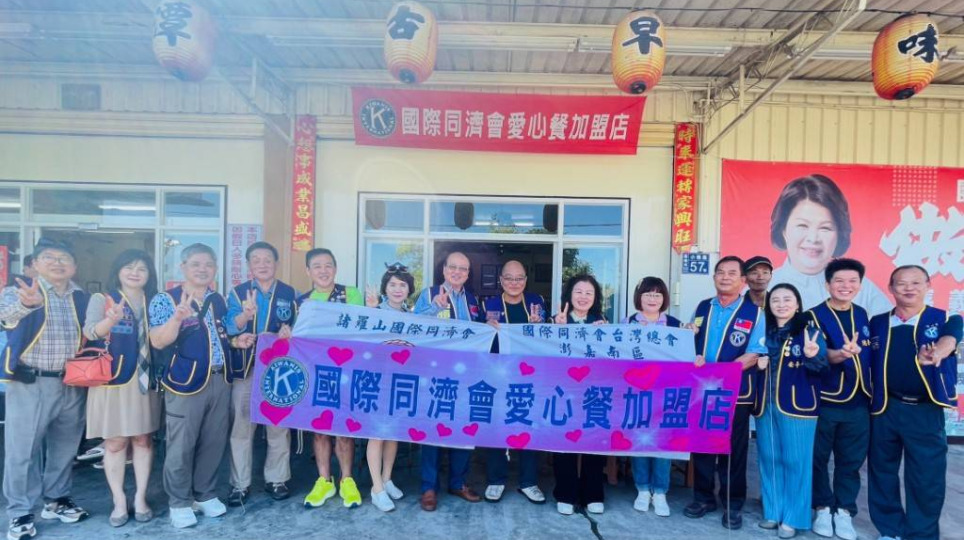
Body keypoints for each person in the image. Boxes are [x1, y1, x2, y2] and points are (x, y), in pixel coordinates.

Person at [148, 243, 256, 529]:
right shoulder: (166, 299)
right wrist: (177, 318)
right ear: (182, 267)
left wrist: (240, 332)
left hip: (220, 379)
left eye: (208, 264)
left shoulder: (216, 299)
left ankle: (204, 494)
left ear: (215, 269)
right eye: (196, 264)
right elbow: (158, 340)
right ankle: (179, 501)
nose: (202, 269)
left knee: (213, 440)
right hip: (185, 382)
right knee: (181, 444)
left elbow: (225, 333)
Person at [1, 238, 90, 540]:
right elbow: (5, 318)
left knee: (65, 447)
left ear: (74, 266)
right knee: (22, 450)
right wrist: (27, 304)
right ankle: (20, 511)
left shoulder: (81, 297)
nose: (57, 263)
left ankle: (57, 499)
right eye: (49, 257)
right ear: (36, 264)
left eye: (64, 258)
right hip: (30, 382)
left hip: (72, 383)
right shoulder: (20, 291)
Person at [867, 265, 960, 540]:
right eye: (901, 283)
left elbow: (953, 335)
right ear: (891, 288)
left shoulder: (943, 319)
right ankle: (890, 530)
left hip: (924, 411)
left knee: (926, 477)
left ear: (928, 285)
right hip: (885, 408)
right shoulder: (878, 323)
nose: (909, 288)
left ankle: (921, 534)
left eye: (916, 283)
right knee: (882, 472)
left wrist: (940, 349)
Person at [684, 256, 766, 531]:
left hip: (735, 392)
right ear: (714, 277)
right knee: (703, 445)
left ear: (742, 281)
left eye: (732, 273)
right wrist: (689, 339)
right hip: (701, 390)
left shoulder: (754, 313)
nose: (725, 277)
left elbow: (755, 353)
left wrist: (723, 373)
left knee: (733, 449)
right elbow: (691, 342)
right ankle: (703, 498)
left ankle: (732, 504)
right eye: (720, 272)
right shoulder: (703, 307)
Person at [84, 250, 161, 527]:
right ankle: (118, 500)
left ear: (150, 275)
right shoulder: (102, 299)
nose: (135, 273)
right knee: (115, 443)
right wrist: (110, 321)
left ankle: (140, 498)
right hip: (112, 381)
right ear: (118, 270)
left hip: (146, 381)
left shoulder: (155, 300)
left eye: (142, 268)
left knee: (143, 440)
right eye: (129, 267)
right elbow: (91, 331)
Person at [224, 242, 297, 506]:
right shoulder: (238, 292)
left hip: (278, 370)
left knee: (278, 425)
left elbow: (299, 328)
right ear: (249, 265)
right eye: (256, 260)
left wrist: (290, 332)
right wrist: (245, 315)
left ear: (276, 263)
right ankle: (239, 484)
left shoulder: (289, 293)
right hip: (246, 367)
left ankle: (277, 479)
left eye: (268, 259)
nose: (262, 264)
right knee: (242, 426)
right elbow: (229, 326)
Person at [754, 283, 828, 539]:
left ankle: (794, 517)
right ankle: (773, 511)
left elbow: (822, 369)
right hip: (766, 404)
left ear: (797, 305)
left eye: (787, 299)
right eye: (775, 300)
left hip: (798, 406)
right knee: (769, 457)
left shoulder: (810, 332)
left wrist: (812, 355)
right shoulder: (763, 331)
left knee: (796, 461)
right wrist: (758, 366)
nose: (781, 304)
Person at [807, 258, 872, 540]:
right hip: (825, 401)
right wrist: (841, 354)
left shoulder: (862, 314)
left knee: (850, 461)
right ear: (828, 285)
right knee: (818, 459)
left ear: (859, 285)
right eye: (839, 281)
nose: (846, 286)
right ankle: (822, 507)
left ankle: (844, 511)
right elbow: (818, 355)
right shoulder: (813, 316)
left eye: (852, 281)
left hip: (859, 402)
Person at [413, 251, 482, 511]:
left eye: (463, 269)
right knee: (432, 430)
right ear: (443, 269)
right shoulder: (430, 294)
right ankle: (429, 487)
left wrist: (490, 325)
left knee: (463, 429)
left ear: (468, 274)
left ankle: (458, 482)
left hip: (466, 375)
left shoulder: (473, 299)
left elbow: (479, 333)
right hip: (435, 375)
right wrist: (435, 308)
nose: (457, 272)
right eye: (453, 267)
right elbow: (414, 327)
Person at [296, 248, 364, 510]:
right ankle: (324, 480)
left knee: (344, 429)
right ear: (308, 271)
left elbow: (360, 327)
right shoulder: (301, 302)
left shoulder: (350, 294)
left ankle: (347, 479)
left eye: (328, 265)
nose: (323, 271)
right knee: (320, 429)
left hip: (347, 371)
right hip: (316, 373)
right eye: (317, 266)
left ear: (335, 269)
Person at [768, 174, 891, 315]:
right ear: (783, 230)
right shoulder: (762, 289)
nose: (813, 238)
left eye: (825, 228)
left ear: (839, 234)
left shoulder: (862, 290)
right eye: (802, 226)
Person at [479, 260, 547, 505]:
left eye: (519, 278)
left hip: (529, 376)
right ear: (501, 280)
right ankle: (496, 480)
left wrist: (543, 326)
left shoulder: (537, 303)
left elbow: (547, 337)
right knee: (497, 427)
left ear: (526, 280)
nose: (514, 283)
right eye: (509, 278)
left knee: (528, 426)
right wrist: (485, 329)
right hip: (498, 375)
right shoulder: (488, 305)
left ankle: (528, 482)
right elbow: (477, 340)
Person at [622, 276, 680, 518]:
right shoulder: (627, 324)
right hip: (636, 393)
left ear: (664, 298)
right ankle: (643, 489)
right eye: (648, 294)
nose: (653, 298)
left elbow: (686, 356)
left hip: (666, 394)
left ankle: (661, 492)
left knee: (663, 442)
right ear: (640, 297)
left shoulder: (676, 325)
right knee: (640, 441)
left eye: (657, 294)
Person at [552, 273, 608, 516]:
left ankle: (593, 494)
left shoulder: (603, 324)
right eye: (578, 292)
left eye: (589, 293)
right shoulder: (556, 321)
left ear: (595, 298)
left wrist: (605, 336)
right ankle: (565, 493)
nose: (583, 297)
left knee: (594, 441)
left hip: (594, 394)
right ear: (569, 295)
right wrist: (558, 330)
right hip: (564, 393)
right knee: (564, 442)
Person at [362, 262, 416, 512]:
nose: (397, 289)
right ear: (385, 288)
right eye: (392, 284)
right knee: (376, 433)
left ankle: (387, 478)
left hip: (400, 382)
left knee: (393, 433)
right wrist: (372, 311)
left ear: (409, 290)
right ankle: (376, 488)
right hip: (377, 381)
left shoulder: (412, 316)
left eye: (402, 285)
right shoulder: (373, 312)